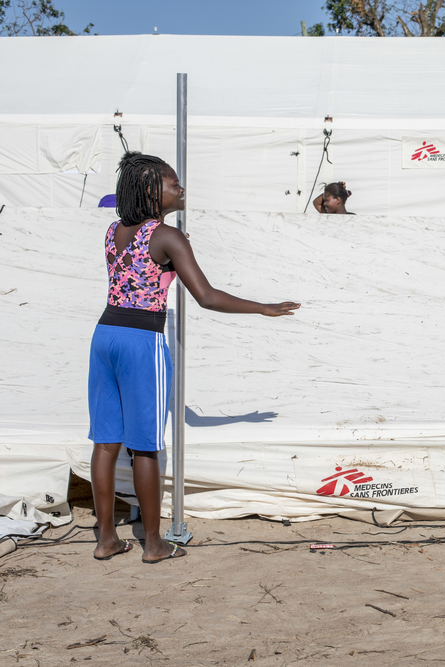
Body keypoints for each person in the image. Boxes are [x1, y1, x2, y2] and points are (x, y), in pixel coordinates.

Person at [89, 152, 300, 563]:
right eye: (172, 183)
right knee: (145, 445)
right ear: (152, 191)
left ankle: (106, 540)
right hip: (140, 340)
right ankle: (154, 543)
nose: (181, 188)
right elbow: (206, 297)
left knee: (106, 441)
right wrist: (263, 307)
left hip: (104, 335)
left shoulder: (114, 230)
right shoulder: (168, 237)